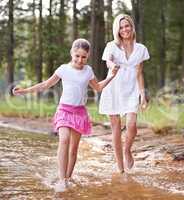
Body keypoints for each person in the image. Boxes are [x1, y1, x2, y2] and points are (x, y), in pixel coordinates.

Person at [13, 38, 119, 192]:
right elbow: (45, 84)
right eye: (77, 56)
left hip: (79, 112)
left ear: (87, 56)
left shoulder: (88, 71)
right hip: (64, 110)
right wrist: (25, 91)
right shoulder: (63, 69)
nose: (80, 60)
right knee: (64, 140)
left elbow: (97, 88)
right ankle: (62, 180)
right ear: (72, 53)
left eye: (83, 57)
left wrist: (112, 76)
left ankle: (68, 178)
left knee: (74, 149)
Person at [99, 14, 150, 173]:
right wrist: (112, 65)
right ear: (117, 30)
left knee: (132, 124)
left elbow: (139, 72)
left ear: (132, 27)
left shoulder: (141, 48)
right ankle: (120, 168)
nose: (124, 29)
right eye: (121, 27)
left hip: (132, 89)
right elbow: (108, 61)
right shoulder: (111, 46)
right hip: (113, 88)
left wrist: (142, 94)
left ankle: (127, 149)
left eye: (127, 26)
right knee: (115, 129)